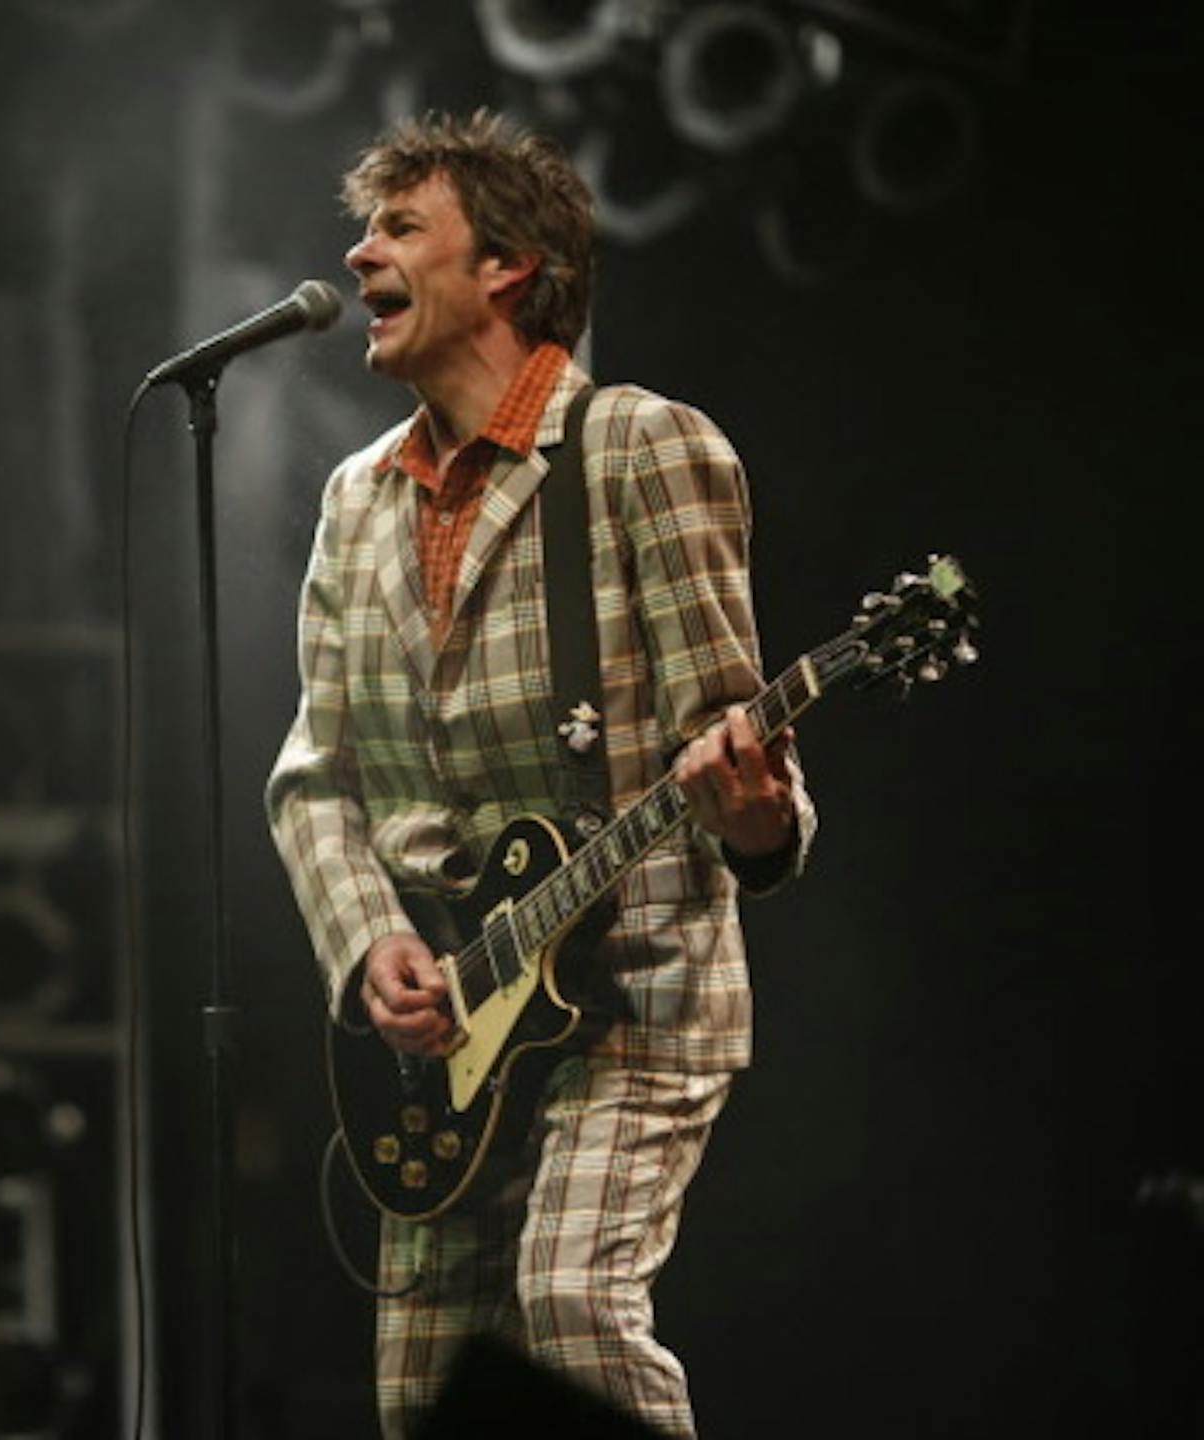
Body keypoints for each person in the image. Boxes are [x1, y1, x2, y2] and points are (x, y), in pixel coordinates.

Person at [265, 109, 815, 1439]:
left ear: (505, 265)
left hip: (633, 998)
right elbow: (316, 781)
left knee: (568, 1311)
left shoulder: (640, 450)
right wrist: (371, 944)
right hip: (453, 1025)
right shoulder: (355, 501)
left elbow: (738, 749)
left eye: (400, 228)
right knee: (430, 1403)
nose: (359, 256)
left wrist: (756, 814)